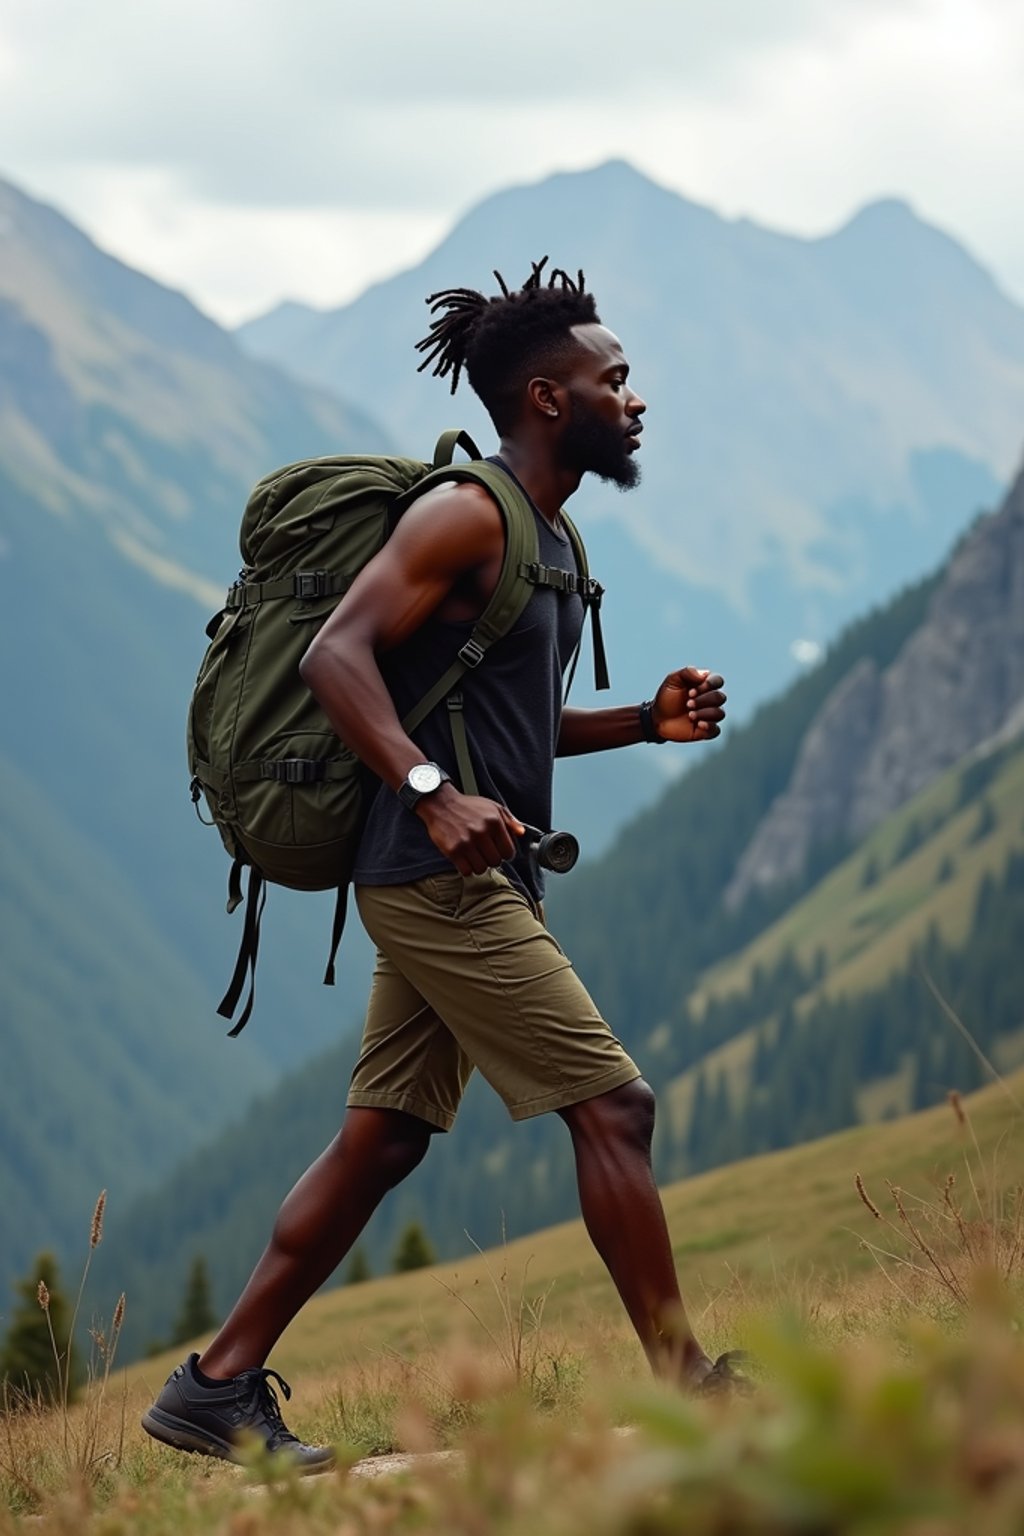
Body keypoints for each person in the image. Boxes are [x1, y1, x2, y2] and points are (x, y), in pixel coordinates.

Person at [142, 258, 738, 1473]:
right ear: (545, 396)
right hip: (432, 876)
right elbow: (336, 656)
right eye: (613, 380)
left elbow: (494, 722)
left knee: (385, 1139)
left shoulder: (548, 534)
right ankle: (691, 1387)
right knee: (615, 1107)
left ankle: (214, 1387)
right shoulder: (464, 512)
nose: (635, 399)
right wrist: (426, 790)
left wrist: (637, 722)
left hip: (470, 871)